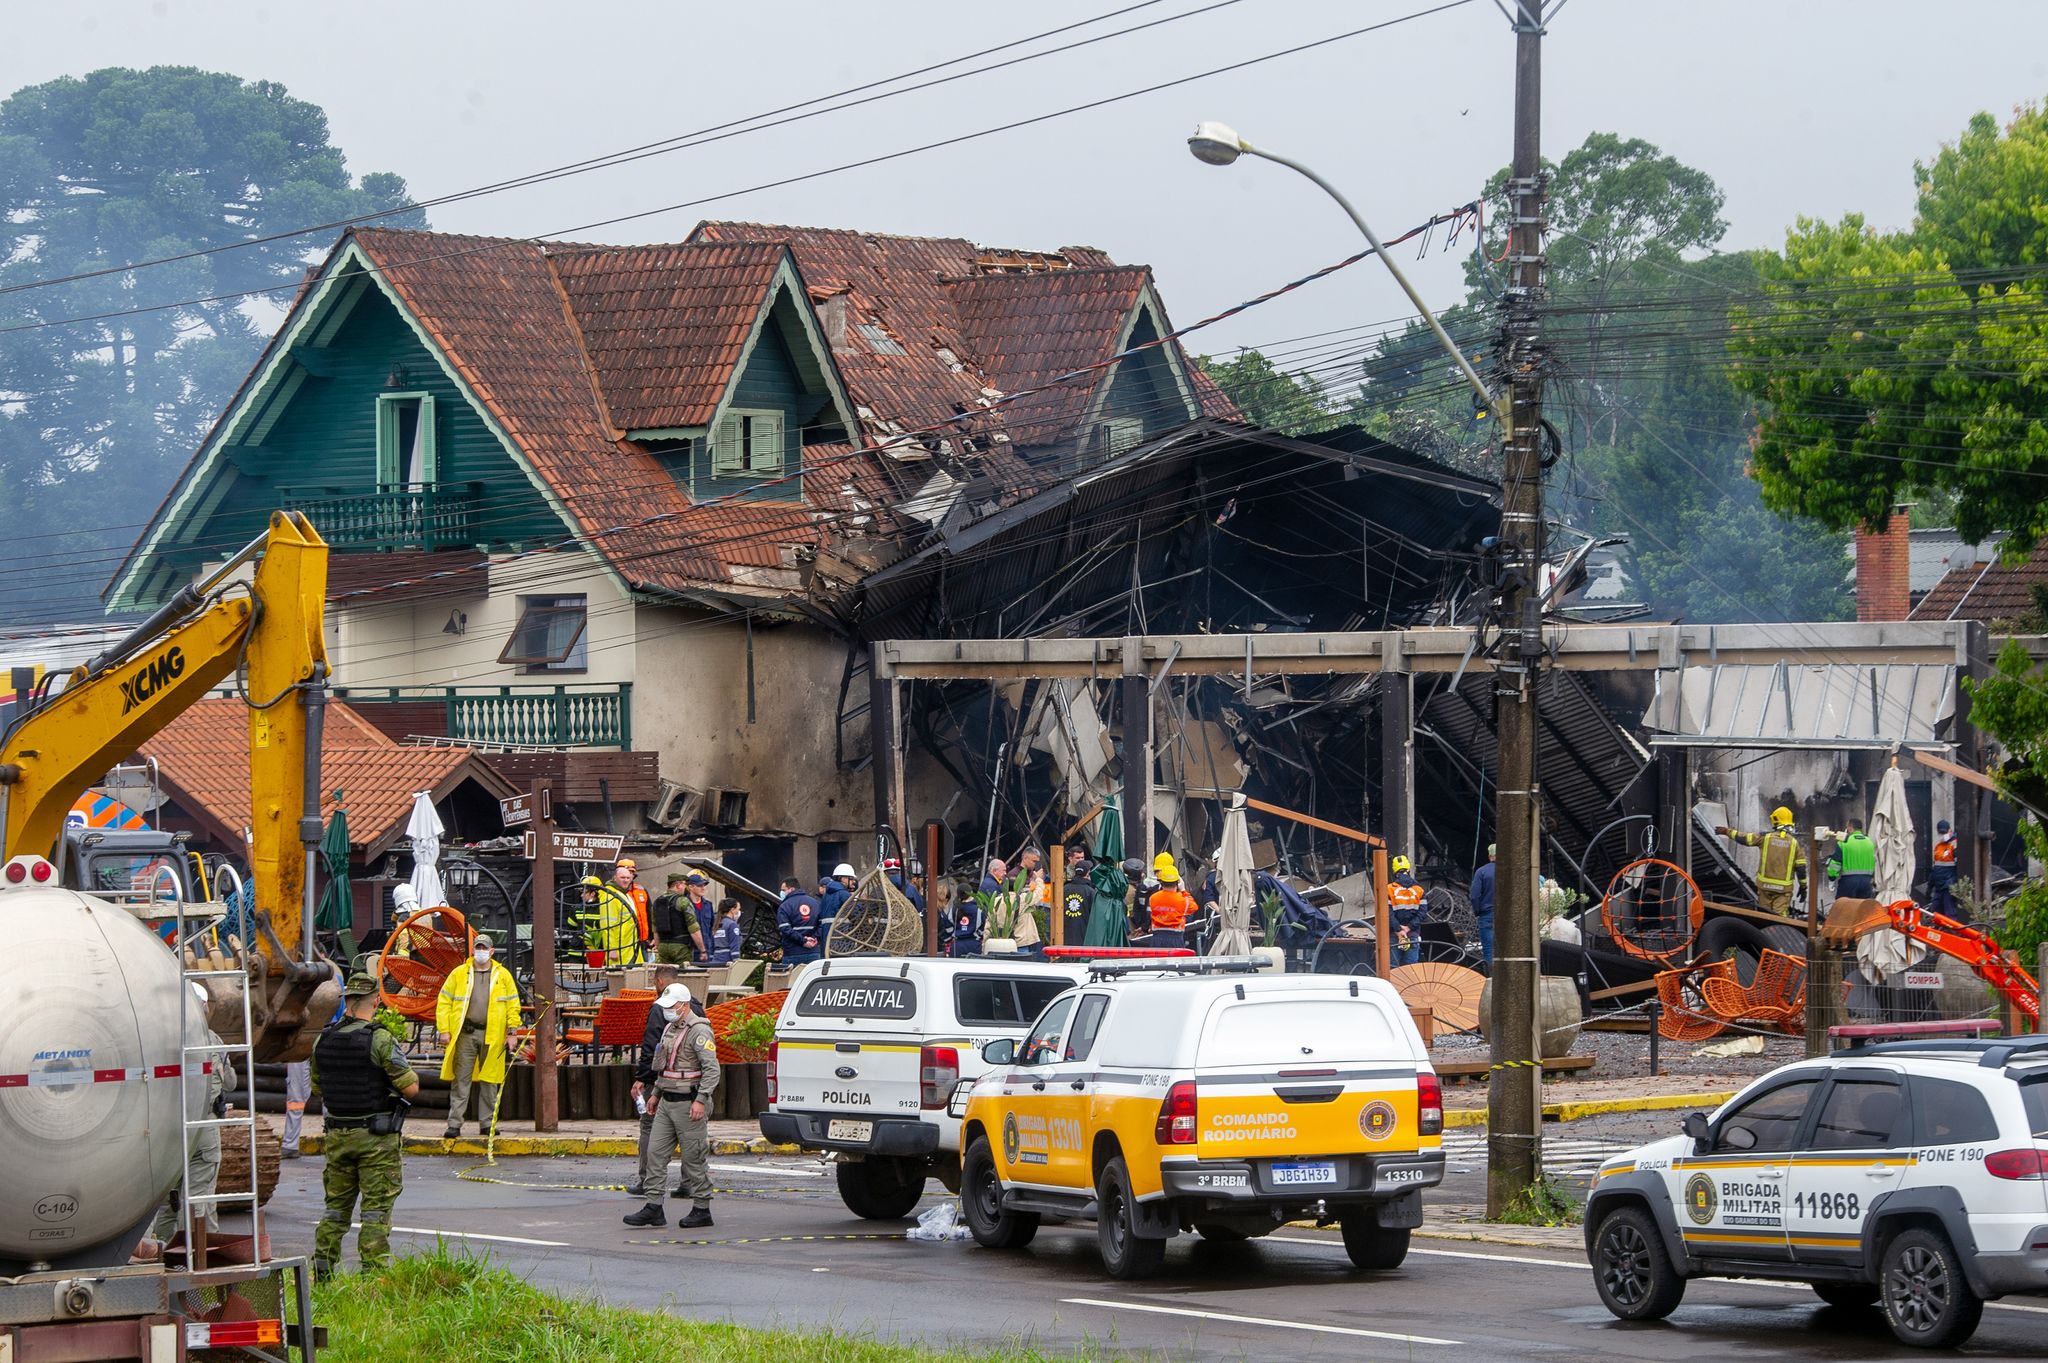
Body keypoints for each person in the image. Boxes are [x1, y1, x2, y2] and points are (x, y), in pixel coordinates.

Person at [311, 972, 420, 1278]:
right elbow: (411, 1088)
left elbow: (318, 1089)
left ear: (347, 1001)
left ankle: (322, 1272)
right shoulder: (380, 1038)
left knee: (335, 1209)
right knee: (375, 1210)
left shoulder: (324, 1039)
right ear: (374, 1000)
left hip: (337, 1137)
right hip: (375, 1138)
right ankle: (373, 1279)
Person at [140, 988, 236, 1254]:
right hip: (203, 1129)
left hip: (167, 1129)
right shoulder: (211, 1040)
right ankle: (199, 1257)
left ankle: (159, 1254)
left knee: (168, 1200)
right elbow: (230, 1082)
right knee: (197, 1198)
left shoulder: (159, 1040)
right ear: (202, 1007)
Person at [625, 982, 721, 1230]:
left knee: (693, 1159)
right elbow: (665, 1067)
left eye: (671, 1006)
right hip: (667, 1101)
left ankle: (702, 1208)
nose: (667, 1010)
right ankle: (653, 1206)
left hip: (689, 1103)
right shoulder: (669, 1028)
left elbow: (712, 1071)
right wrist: (655, 1094)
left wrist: (701, 1100)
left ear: (684, 1005)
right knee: (655, 1154)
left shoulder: (699, 1031)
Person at [433, 932, 522, 1140]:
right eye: (478, 948)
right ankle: (454, 1124)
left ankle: (487, 1124)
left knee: (490, 1082)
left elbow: (512, 1005)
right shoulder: (459, 974)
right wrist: (444, 1030)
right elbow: (444, 1003)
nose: (480, 952)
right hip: (466, 1033)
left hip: (493, 1034)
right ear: (473, 950)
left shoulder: (503, 976)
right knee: (460, 1080)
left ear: (491, 951)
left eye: (484, 948)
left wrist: (512, 1032)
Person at [625, 961, 682, 1198]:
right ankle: (690, 1182)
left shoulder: (659, 1008)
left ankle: (647, 1179)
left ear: (659, 982)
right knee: (687, 1131)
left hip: (662, 1078)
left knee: (648, 1124)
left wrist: (642, 1078)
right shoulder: (694, 1005)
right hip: (690, 1080)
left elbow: (651, 1047)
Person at [1714, 806, 1806, 917]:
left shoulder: (1765, 838)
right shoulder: (1794, 843)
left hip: (1764, 887)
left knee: (1764, 916)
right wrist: (1803, 887)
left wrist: (1726, 831)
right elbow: (1801, 868)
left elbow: (1744, 838)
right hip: (1783, 890)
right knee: (1781, 919)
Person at [653, 872, 706, 965]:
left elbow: (655, 929)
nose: (686, 887)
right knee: (683, 976)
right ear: (678, 885)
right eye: (684, 884)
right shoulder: (683, 901)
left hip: (663, 947)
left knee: (666, 975)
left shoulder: (657, 902)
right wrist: (702, 950)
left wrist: (658, 948)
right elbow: (694, 929)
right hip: (681, 948)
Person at [1146, 857, 1196, 950]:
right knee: (1175, 964)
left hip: (1157, 939)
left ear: (1161, 881)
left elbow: (1149, 914)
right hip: (1175, 939)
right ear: (1178, 882)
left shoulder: (1153, 898)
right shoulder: (1182, 900)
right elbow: (1193, 907)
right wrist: (1183, 890)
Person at [611, 860, 652, 965]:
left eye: (631, 873)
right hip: (626, 942)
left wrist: (653, 937)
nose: (629, 875)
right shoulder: (617, 893)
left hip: (643, 941)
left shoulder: (641, 890)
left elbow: (649, 914)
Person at [1388, 855, 1426, 966]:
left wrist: (1399, 930)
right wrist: (1408, 928)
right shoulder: (1419, 890)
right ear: (1409, 869)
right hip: (1412, 933)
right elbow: (1423, 913)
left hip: (1394, 935)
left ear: (1394, 871)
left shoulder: (1389, 889)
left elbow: (1387, 913)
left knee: (1393, 970)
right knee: (1411, 970)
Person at [1828, 818, 1878, 902]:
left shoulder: (1844, 842)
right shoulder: (1870, 842)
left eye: (1847, 827)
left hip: (1848, 882)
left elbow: (1835, 864)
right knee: (1862, 909)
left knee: (1843, 908)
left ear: (1850, 827)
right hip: (1867, 882)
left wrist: (1832, 878)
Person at [777, 877, 824, 964]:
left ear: (791, 889)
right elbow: (822, 924)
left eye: (784, 890)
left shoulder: (784, 906)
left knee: (792, 977)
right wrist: (814, 938)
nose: (782, 893)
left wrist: (803, 941)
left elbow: (785, 929)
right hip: (813, 952)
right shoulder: (815, 903)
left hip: (792, 953)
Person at [1468, 844, 1497, 967]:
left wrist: (1478, 911)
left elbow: (1474, 896)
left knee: (1489, 950)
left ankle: (1492, 979)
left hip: (1487, 914)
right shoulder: (1510, 871)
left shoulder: (1482, 872)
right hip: (1507, 916)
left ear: (1490, 856)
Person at [1928, 819, 1962, 920]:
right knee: (1935, 913)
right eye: (1941, 832)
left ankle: (1952, 934)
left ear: (1950, 831)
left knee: (1950, 913)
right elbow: (1935, 869)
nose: (1942, 834)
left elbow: (1959, 867)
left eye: (1944, 832)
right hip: (1939, 886)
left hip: (1949, 885)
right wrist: (1930, 887)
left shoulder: (1954, 845)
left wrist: (1954, 884)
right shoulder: (1938, 847)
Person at [679, 874, 718, 958]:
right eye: (699, 885)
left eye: (704, 885)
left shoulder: (708, 905)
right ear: (690, 887)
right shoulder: (684, 905)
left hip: (707, 950)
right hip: (689, 950)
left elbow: (711, 928)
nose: (703, 888)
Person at [281, 1058, 310, 1159]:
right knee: (295, 1101)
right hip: (299, 1052)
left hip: (325, 1046)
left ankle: (333, 1139)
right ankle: (290, 1145)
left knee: (329, 1094)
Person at [818, 863, 858, 936]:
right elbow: (855, 913)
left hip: (826, 933)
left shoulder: (826, 894)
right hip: (839, 933)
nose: (854, 882)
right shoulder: (843, 894)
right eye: (851, 879)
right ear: (843, 879)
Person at [948, 880, 985, 956]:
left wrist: (951, 936)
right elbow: (982, 928)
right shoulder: (978, 910)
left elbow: (948, 926)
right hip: (974, 945)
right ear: (971, 893)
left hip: (957, 946)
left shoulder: (953, 909)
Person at [708, 899, 744, 964]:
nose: (739, 912)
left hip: (716, 961)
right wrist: (737, 961)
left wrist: (711, 961)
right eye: (738, 909)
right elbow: (734, 944)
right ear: (732, 909)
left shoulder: (717, 924)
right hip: (727, 961)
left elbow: (711, 945)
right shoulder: (732, 925)